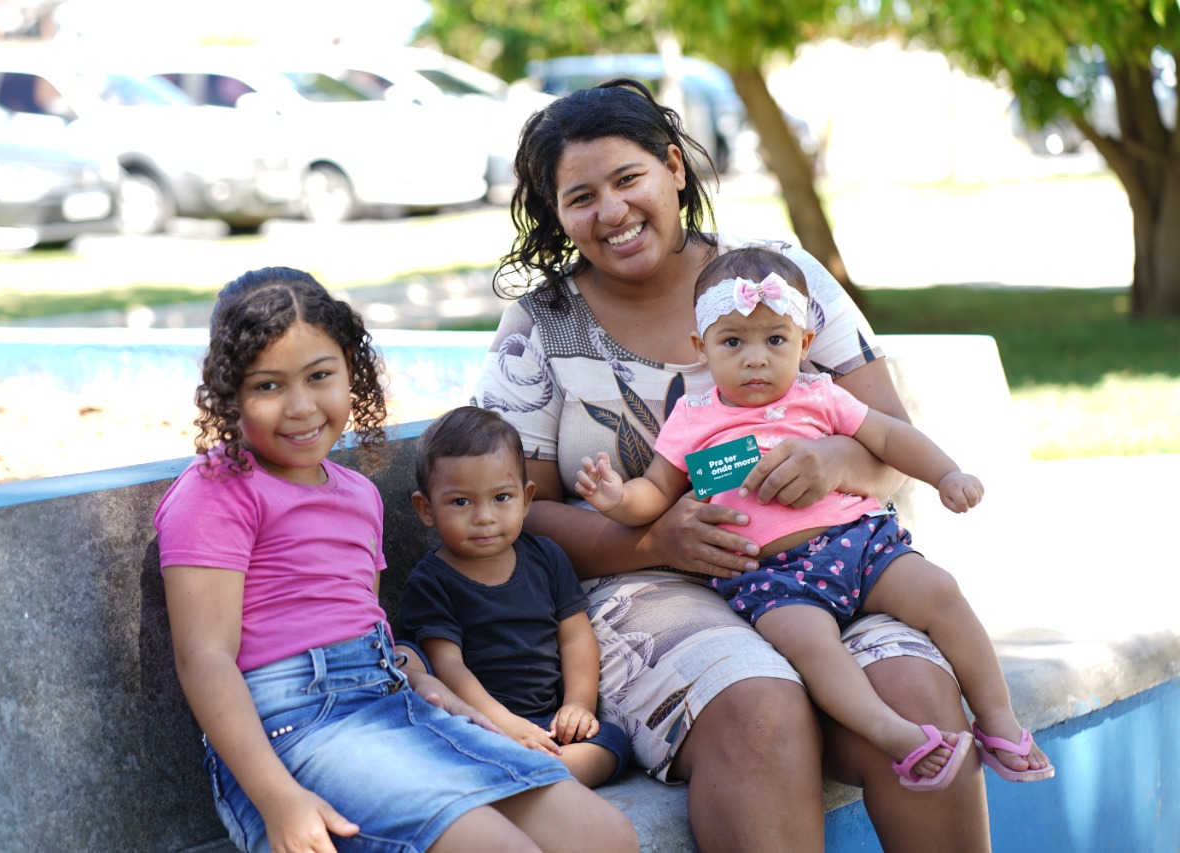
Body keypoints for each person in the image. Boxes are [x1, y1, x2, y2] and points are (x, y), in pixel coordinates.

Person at [472, 77, 996, 852]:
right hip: (641, 587)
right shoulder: (540, 326)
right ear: (557, 213)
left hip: (827, 558)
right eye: (581, 196)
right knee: (760, 706)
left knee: (920, 690)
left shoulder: (779, 278)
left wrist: (833, 458)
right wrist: (653, 541)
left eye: (628, 179)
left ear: (675, 169)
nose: (610, 212)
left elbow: (892, 449)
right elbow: (519, 510)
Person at [155, 267, 637, 853]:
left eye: (320, 376)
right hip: (293, 729)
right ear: (229, 391)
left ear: (350, 373)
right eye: (268, 386)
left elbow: (359, 620)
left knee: (604, 836)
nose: (301, 406)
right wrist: (277, 799)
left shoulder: (358, 495)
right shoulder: (217, 489)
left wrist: (428, 682)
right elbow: (205, 659)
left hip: (394, 699)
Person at [574, 246, 1053, 791]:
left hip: (861, 544)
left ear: (804, 345)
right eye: (733, 342)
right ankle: (893, 735)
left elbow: (891, 436)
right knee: (812, 649)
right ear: (700, 349)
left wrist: (945, 474)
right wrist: (617, 499)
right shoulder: (695, 417)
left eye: (775, 340)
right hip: (770, 577)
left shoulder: (820, 395)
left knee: (940, 592)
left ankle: (998, 720)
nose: (756, 359)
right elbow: (655, 492)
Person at [399, 406, 633, 789]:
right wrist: (503, 725)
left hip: (546, 724)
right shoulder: (430, 582)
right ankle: (523, 773)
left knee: (611, 743)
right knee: (444, 746)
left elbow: (575, 638)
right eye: (461, 502)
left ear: (526, 499)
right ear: (426, 509)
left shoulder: (547, 557)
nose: (485, 517)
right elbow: (449, 669)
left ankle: (520, 775)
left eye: (501, 497)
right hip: (477, 724)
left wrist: (577, 705)